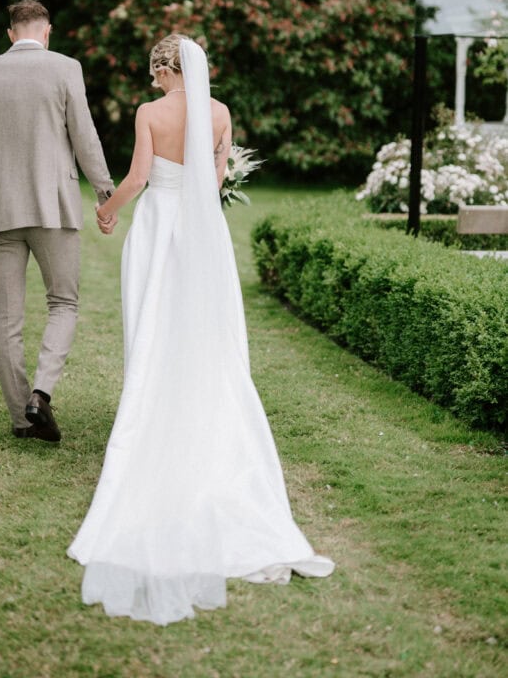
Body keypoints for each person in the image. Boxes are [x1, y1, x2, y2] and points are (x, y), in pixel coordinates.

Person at [67, 34, 334, 625]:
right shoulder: (219, 112)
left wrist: (108, 210)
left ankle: (154, 408)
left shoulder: (150, 114)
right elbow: (214, 178)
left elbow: (137, 177)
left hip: (159, 225)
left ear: (167, 67)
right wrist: (198, 201)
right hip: (203, 230)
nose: (152, 81)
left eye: (154, 71)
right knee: (204, 325)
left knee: (153, 320)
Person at [0, 0, 115, 443]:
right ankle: (40, 394)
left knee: (6, 317)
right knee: (63, 302)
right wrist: (105, 192)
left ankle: (22, 419)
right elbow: (84, 135)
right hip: (55, 206)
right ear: (47, 31)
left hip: (1, 208)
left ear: (11, 33)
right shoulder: (66, 68)